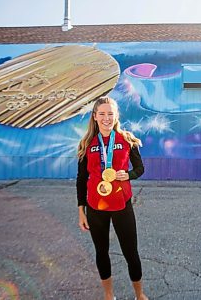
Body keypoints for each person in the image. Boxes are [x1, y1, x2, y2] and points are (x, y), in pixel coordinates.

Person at [76, 96, 148, 300]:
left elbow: (140, 168)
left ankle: (139, 294)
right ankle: (109, 296)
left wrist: (129, 175)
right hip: (95, 208)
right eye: (102, 114)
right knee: (101, 253)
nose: (106, 118)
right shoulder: (87, 143)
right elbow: (81, 179)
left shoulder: (126, 139)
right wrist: (81, 210)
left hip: (121, 205)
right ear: (95, 116)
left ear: (116, 116)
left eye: (110, 114)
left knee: (131, 254)